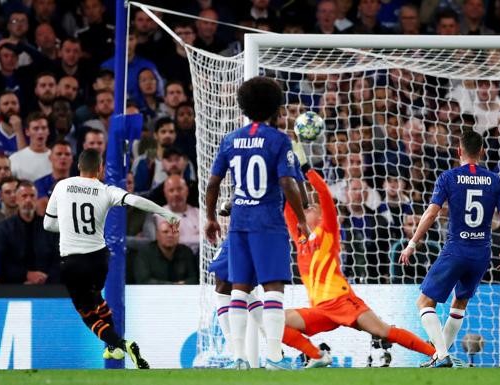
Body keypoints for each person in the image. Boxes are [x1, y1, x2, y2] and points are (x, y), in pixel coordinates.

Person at [282, 150, 435, 368]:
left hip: (343, 301)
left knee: (383, 331)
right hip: (320, 310)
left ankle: (435, 353)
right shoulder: (300, 239)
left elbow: (324, 193)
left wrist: (307, 170)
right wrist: (285, 172)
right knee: (275, 322)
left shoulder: (328, 231)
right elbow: (289, 205)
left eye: (311, 208)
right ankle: (316, 355)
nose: (309, 209)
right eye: (306, 209)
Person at [204, 76, 309, 370]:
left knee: (239, 288)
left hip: (239, 224)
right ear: (276, 107)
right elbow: (288, 183)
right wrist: (301, 220)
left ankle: (238, 357)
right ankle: (275, 356)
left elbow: (213, 182)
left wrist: (211, 217)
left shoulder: (231, 139)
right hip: (268, 223)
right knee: (273, 288)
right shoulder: (278, 139)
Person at [43, 149, 181, 369]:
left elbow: (48, 225)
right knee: (96, 296)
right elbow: (136, 200)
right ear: (100, 169)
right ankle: (114, 350)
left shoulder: (62, 186)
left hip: (73, 262)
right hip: (99, 260)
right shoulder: (105, 190)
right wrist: (167, 214)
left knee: (87, 314)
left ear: (78, 166)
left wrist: (69, 228)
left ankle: (123, 344)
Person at [399, 130, 500, 368]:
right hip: (482, 252)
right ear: (482, 151)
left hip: (456, 249)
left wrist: (412, 244)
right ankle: (439, 356)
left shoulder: (448, 177)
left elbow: (431, 213)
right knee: (459, 303)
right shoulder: (495, 180)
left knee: (424, 302)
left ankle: (441, 355)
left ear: (459, 151)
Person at [0, 180, 59, 284]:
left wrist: (45, 279)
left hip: (48, 285)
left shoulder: (49, 227)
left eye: (32, 196)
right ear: (16, 200)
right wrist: (26, 275)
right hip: (13, 287)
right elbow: (1, 261)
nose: (28, 200)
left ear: (37, 199)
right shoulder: (4, 229)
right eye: (24, 196)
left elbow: (59, 259)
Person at [132, 220, 198, 284]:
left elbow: (194, 279)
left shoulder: (186, 251)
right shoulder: (144, 252)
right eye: (165, 232)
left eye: (174, 232)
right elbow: (144, 281)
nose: (170, 235)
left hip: (182, 293)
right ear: (157, 235)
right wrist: (173, 286)